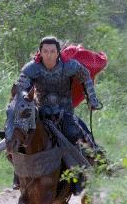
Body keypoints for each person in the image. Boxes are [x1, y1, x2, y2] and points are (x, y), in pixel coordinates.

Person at [12, 36, 102, 190]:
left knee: (74, 133)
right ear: (40, 52)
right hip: (41, 112)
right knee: (20, 135)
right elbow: (22, 89)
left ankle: (82, 172)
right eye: (45, 51)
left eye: (52, 51)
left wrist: (92, 99)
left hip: (64, 112)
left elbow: (85, 75)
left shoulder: (69, 66)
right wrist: (25, 97)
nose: (48, 54)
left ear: (58, 52)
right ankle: (19, 176)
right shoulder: (31, 68)